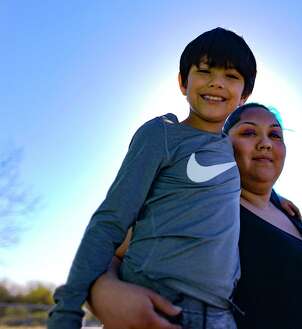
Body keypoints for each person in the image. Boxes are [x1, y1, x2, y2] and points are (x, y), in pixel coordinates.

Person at [89, 103, 302, 329]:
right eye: (249, 133)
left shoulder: (287, 213)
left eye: (275, 135)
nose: (265, 143)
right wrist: (109, 294)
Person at [47, 27, 259, 329]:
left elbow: (242, 193)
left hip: (220, 315)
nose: (216, 82)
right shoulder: (162, 134)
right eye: (204, 71)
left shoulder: (231, 150)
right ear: (182, 82)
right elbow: (110, 221)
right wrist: (67, 312)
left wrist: (279, 200)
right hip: (155, 302)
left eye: (231, 76)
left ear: (244, 96)